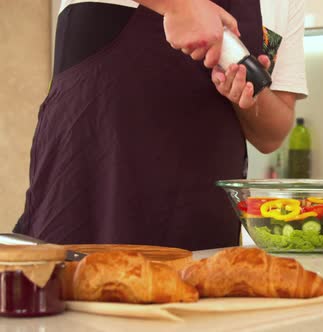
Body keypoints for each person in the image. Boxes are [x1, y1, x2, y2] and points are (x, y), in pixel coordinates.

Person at [13, 0, 308, 250]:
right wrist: (180, 5)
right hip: (96, 185)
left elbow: (273, 133)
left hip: (200, 208)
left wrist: (244, 84)